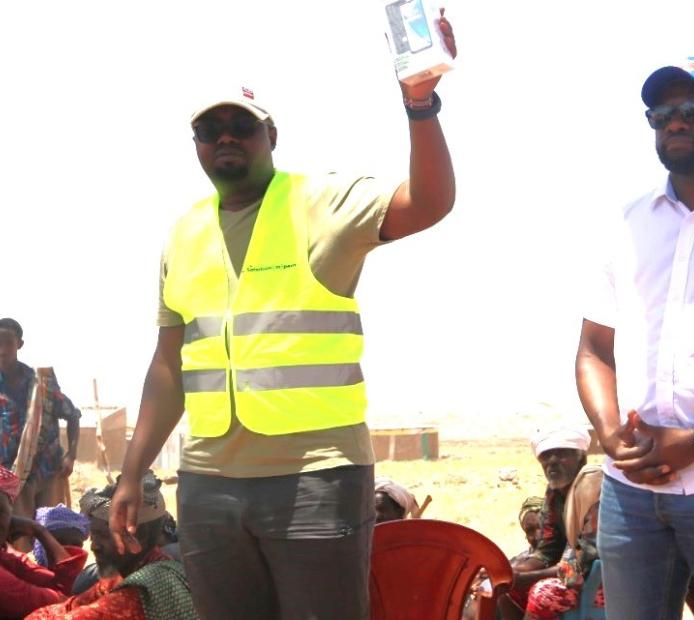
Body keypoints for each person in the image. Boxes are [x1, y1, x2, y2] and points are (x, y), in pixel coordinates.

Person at [109, 12, 457, 620]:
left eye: (240, 126)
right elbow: (168, 367)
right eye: (209, 129)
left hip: (314, 478)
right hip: (209, 483)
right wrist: (132, 473)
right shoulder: (182, 234)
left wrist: (420, 106)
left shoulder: (319, 204)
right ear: (194, 145)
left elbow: (429, 202)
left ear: (271, 135)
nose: (225, 138)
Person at [575, 56, 694, 620]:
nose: (676, 122)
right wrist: (609, 435)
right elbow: (595, 349)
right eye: (662, 114)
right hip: (632, 492)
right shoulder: (630, 221)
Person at [29, 472, 198, 619]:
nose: (94, 546)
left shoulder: (139, 593)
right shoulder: (132, 571)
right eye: (94, 536)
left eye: (104, 536)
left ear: (142, 535)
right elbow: (69, 606)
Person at [497, 427, 603, 620]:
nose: (552, 462)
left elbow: (583, 560)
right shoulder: (555, 493)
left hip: (604, 579)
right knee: (504, 590)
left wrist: (524, 578)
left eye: (562, 454)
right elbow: (547, 551)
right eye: (546, 456)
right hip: (572, 573)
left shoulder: (593, 486)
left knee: (543, 594)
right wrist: (510, 573)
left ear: (580, 458)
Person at [0, 317, 81, 551]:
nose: (3, 350)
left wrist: (71, 456)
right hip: (11, 477)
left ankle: (58, 583)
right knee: (18, 539)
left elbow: (72, 415)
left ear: (19, 344)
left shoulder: (41, 384)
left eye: (8, 343)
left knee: (54, 533)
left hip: (47, 470)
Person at [0, 465, 88, 619]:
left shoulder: (7, 559)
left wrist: (39, 530)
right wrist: (40, 532)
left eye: (1, 512)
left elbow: (72, 588)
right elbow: (65, 605)